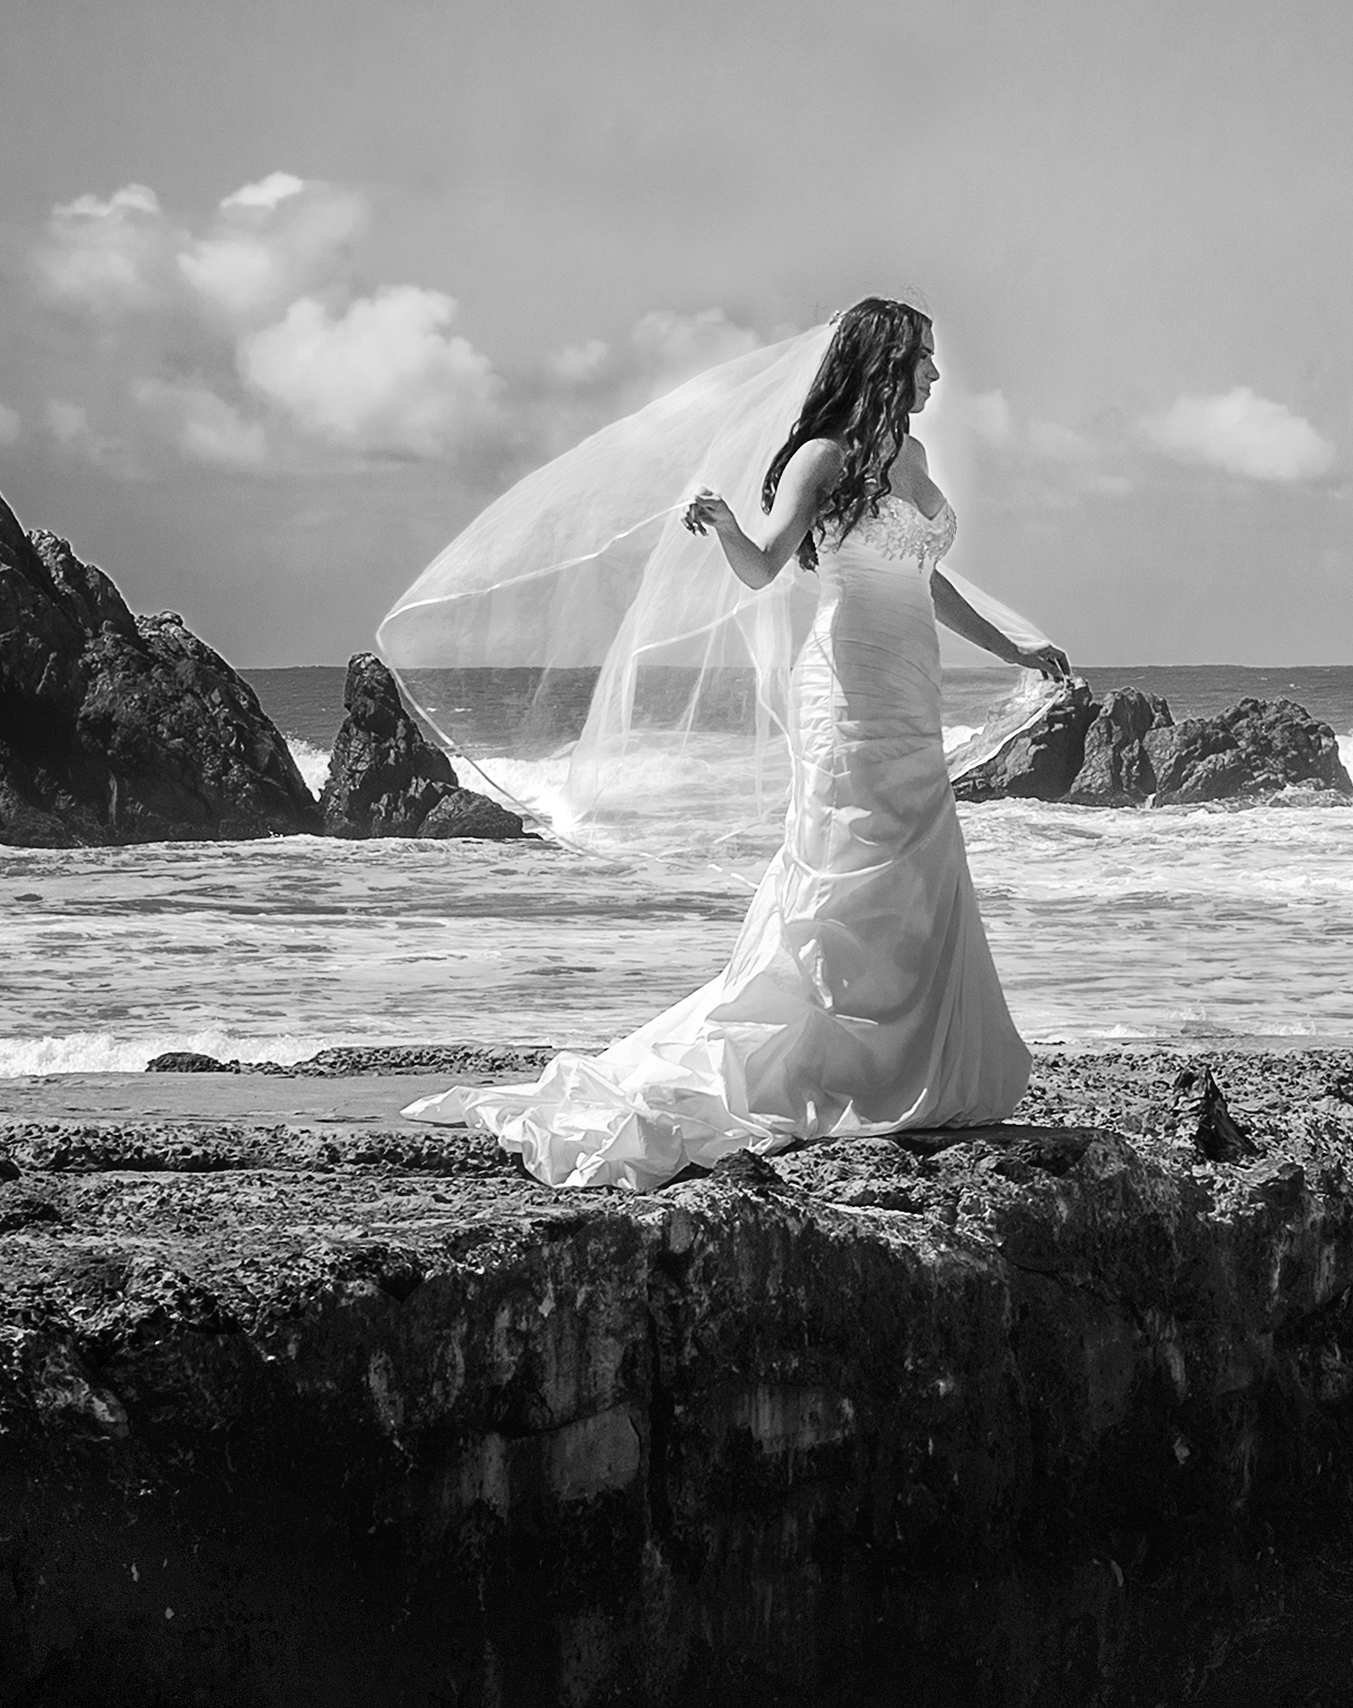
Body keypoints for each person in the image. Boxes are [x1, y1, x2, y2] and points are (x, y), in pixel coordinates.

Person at [406, 298, 1069, 1188]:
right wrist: (722, 527)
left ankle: (903, 1064)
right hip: (847, 688)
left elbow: (924, 576)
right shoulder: (821, 458)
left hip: (911, 685)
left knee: (916, 864)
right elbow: (764, 564)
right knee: (847, 864)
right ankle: (823, 1060)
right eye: (924, 361)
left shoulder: (908, 457)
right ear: (883, 362)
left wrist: (1011, 645)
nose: (936, 378)